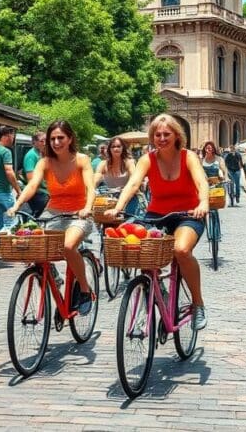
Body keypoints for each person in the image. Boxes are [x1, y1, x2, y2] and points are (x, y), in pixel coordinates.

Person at [105, 113, 210, 331]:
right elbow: (133, 185)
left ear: (176, 135)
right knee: (141, 248)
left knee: (181, 251)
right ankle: (159, 288)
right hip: (157, 214)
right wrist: (118, 207)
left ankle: (198, 303)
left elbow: (201, 182)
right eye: (157, 134)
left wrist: (204, 203)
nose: (162, 138)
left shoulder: (188, 157)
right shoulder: (147, 159)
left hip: (188, 214)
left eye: (166, 134)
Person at [8, 120, 96, 314]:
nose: (56, 142)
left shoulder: (82, 160)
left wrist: (88, 207)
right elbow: (32, 185)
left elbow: (91, 187)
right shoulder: (44, 162)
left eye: (60, 138)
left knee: (67, 246)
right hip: (53, 213)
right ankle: (54, 277)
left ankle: (83, 289)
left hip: (79, 214)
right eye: (53, 138)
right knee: (32, 247)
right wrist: (17, 204)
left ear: (70, 138)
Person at [94, 136, 141, 217]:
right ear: (109, 149)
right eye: (113, 146)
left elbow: (134, 181)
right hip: (109, 200)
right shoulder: (103, 164)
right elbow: (94, 182)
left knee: (128, 220)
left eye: (118, 146)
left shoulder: (129, 163)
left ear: (123, 148)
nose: (116, 149)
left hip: (128, 198)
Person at [22, 131, 49, 217]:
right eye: (42, 141)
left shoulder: (41, 154)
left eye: (46, 141)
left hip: (46, 192)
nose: (44, 143)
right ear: (34, 142)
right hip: (39, 194)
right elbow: (31, 180)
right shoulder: (31, 156)